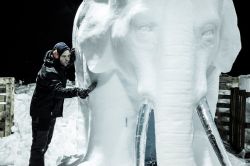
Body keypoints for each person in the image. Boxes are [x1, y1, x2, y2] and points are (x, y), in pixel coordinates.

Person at [28, 42, 97, 166]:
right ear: (56, 55)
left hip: (49, 111)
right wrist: (77, 91)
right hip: (42, 114)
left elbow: (63, 65)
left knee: (44, 144)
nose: (67, 59)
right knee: (39, 147)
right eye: (64, 56)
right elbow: (58, 91)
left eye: (68, 56)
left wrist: (72, 57)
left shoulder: (55, 63)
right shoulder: (49, 72)